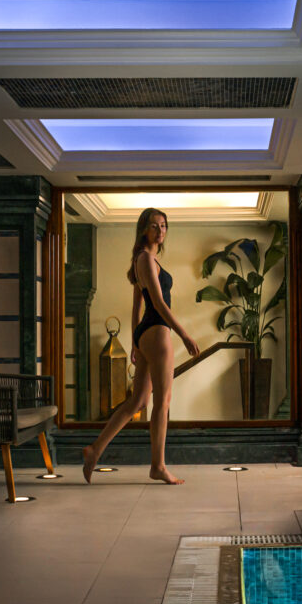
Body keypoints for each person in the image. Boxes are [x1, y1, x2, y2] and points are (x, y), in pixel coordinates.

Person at [83, 208, 199, 485]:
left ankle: (95, 449)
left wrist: (135, 341)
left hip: (147, 333)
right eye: (154, 226)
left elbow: (137, 304)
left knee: (139, 401)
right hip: (158, 332)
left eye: (163, 226)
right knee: (163, 402)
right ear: (144, 230)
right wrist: (183, 334)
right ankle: (157, 466)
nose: (160, 231)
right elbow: (157, 303)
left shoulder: (143, 259)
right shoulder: (146, 259)